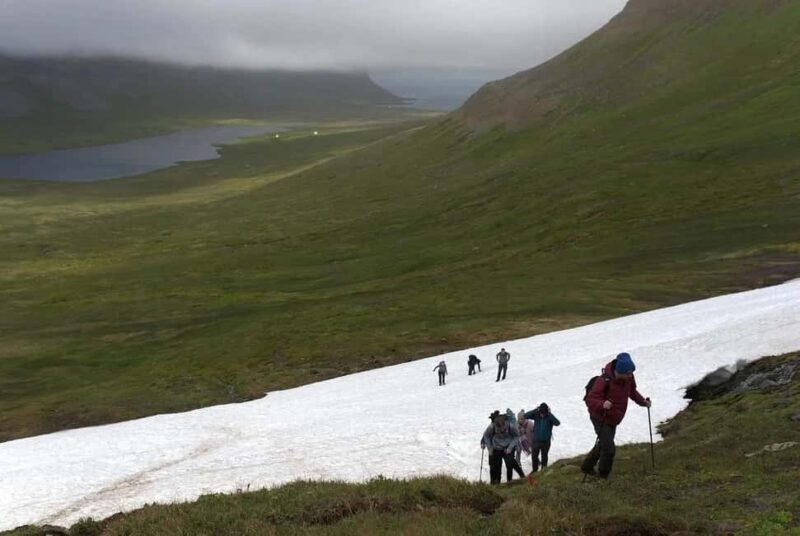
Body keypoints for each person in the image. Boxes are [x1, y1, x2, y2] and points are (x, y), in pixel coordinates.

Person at [581, 352, 650, 479]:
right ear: (619, 371)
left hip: (613, 418)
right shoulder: (603, 381)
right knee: (609, 449)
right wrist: (602, 404)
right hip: (599, 417)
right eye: (628, 373)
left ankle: (586, 467)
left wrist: (643, 402)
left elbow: (632, 392)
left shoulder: (628, 378)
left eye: (631, 373)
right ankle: (603, 477)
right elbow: (591, 400)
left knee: (603, 444)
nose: (630, 376)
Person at [481, 410, 525, 484]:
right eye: (500, 429)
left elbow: (516, 436)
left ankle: (509, 482)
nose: (502, 430)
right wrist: (489, 447)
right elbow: (486, 436)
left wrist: (510, 447)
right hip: (497, 448)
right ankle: (497, 483)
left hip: (508, 447)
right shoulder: (492, 426)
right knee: (497, 467)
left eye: (503, 428)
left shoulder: (510, 425)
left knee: (510, 464)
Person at [524, 402, 560, 472]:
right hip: (536, 441)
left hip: (546, 442)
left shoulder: (549, 417)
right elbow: (525, 416)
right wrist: (535, 410)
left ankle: (544, 470)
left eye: (544, 413)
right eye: (541, 413)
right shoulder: (536, 415)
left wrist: (549, 413)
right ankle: (535, 470)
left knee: (544, 457)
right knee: (534, 457)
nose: (542, 414)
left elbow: (557, 423)